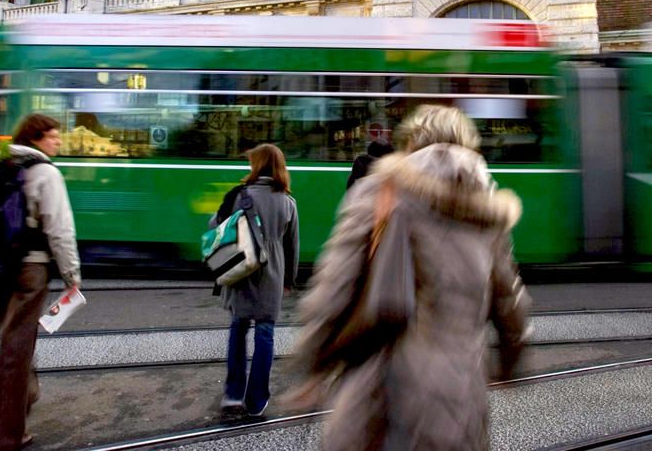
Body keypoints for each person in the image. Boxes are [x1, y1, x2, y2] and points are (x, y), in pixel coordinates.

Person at [289, 104, 530, 451]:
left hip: (380, 395)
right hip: (456, 400)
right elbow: (511, 304)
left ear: (413, 141)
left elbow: (334, 289)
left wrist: (314, 363)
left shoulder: (379, 192)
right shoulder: (487, 212)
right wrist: (509, 363)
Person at [0, 113, 81, 451]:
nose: (58, 141)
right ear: (37, 137)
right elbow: (60, 230)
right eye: (53, 136)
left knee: (12, 347)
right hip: (29, 271)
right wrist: (72, 277)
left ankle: (20, 404)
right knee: (15, 354)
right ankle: (0, 439)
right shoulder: (46, 172)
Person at [209, 143, 299, 417]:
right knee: (265, 332)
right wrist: (289, 281)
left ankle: (233, 394)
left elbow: (215, 226)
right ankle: (257, 400)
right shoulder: (288, 201)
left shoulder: (239, 196)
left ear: (257, 165)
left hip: (241, 269)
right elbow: (292, 245)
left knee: (238, 328)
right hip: (271, 275)